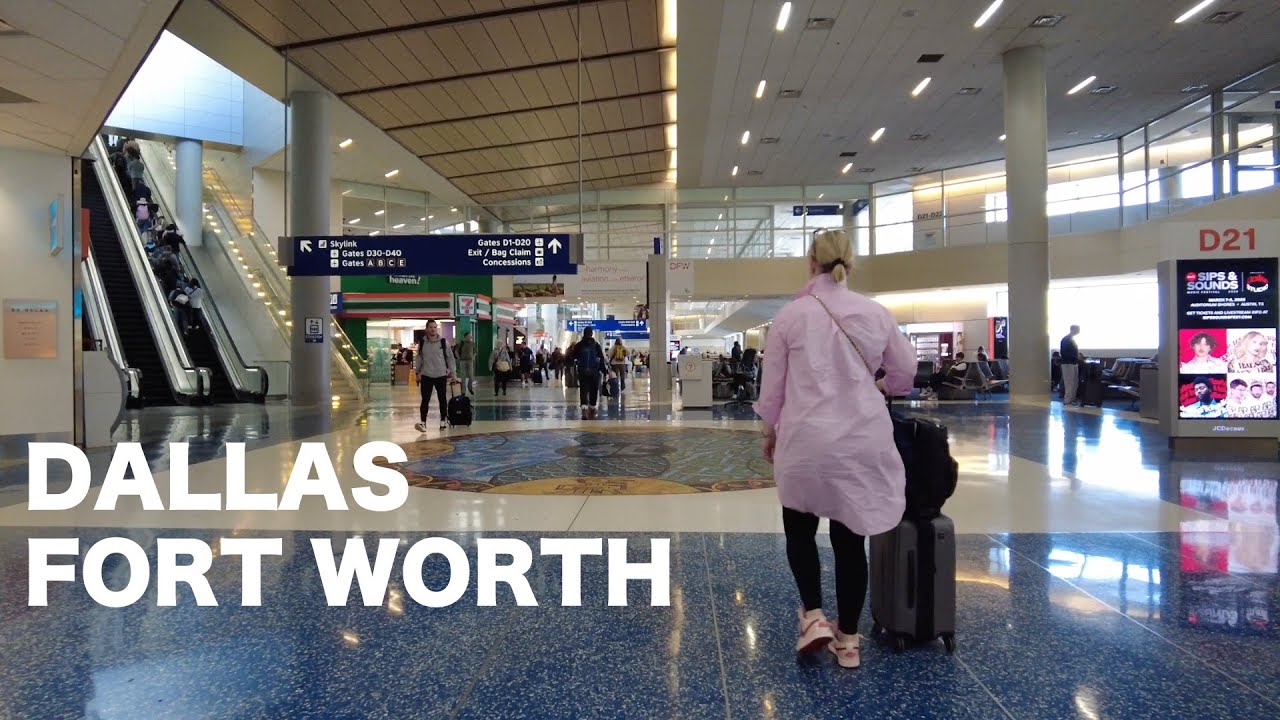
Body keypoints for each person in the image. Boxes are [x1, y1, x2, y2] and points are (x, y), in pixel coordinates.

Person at [753, 228, 916, 669]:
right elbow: (904, 373)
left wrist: (770, 432)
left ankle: (812, 617)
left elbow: (773, 391)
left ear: (811, 263)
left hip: (806, 440)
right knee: (850, 541)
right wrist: (880, 385)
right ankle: (848, 640)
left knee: (800, 531)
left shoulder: (790, 317)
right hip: (860, 443)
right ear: (850, 264)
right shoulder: (876, 313)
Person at [412, 320, 455, 432]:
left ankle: (443, 420)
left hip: (441, 374)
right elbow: (419, 358)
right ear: (427, 329)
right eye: (431, 327)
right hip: (426, 375)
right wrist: (417, 373)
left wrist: (453, 374)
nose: (433, 329)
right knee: (425, 400)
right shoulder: (422, 343)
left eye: (435, 327)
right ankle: (423, 423)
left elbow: (450, 358)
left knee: (442, 399)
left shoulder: (443, 342)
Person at [574, 327, 605, 419]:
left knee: (583, 389)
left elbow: (574, 356)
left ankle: (584, 408)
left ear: (584, 333)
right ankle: (592, 407)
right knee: (594, 389)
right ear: (592, 334)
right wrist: (604, 370)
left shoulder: (579, 345)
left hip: (582, 370)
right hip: (594, 371)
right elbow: (601, 359)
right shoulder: (596, 345)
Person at [1060, 325, 1082, 406]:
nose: (1078, 331)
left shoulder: (1072, 339)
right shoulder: (1066, 339)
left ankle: (1072, 399)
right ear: (1073, 330)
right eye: (1077, 330)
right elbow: (1065, 353)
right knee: (1069, 381)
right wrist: (1076, 357)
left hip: (1073, 363)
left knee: (1075, 381)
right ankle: (1067, 400)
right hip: (1068, 363)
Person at [454, 331, 477, 396]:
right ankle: (463, 391)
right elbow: (456, 351)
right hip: (463, 361)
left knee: (471, 376)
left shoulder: (473, 344)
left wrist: (473, 357)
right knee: (463, 377)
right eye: (469, 336)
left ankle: (470, 387)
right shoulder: (461, 344)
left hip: (470, 361)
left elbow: (475, 351)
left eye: (471, 336)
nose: (470, 337)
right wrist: (459, 358)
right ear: (465, 337)